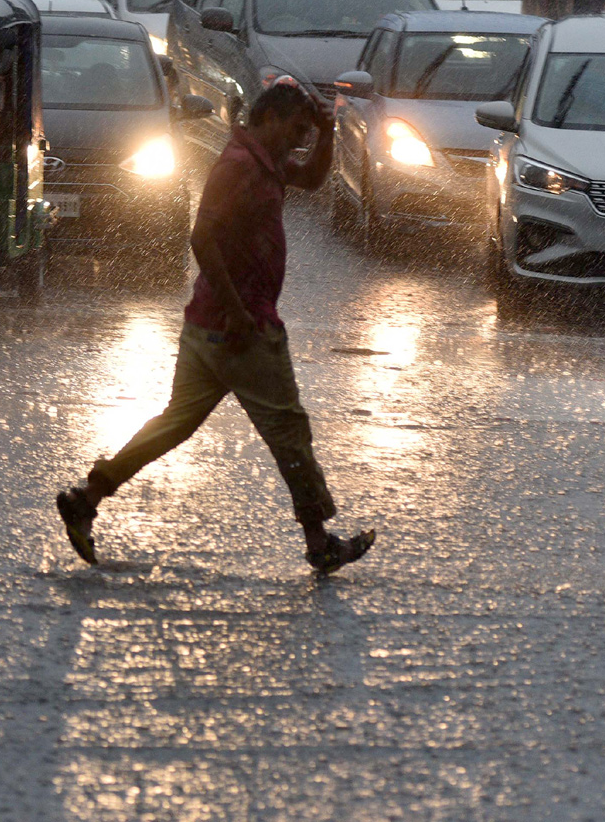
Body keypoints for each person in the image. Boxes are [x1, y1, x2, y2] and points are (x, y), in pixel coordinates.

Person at [56, 79, 377, 575]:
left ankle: (87, 497)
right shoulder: (240, 166)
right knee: (288, 432)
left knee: (173, 424)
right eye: (296, 129)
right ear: (270, 118)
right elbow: (202, 238)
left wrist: (327, 131)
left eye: (305, 134)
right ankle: (319, 543)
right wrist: (240, 315)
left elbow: (312, 180)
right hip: (240, 329)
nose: (299, 140)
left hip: (209, 326)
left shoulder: (260, 159)